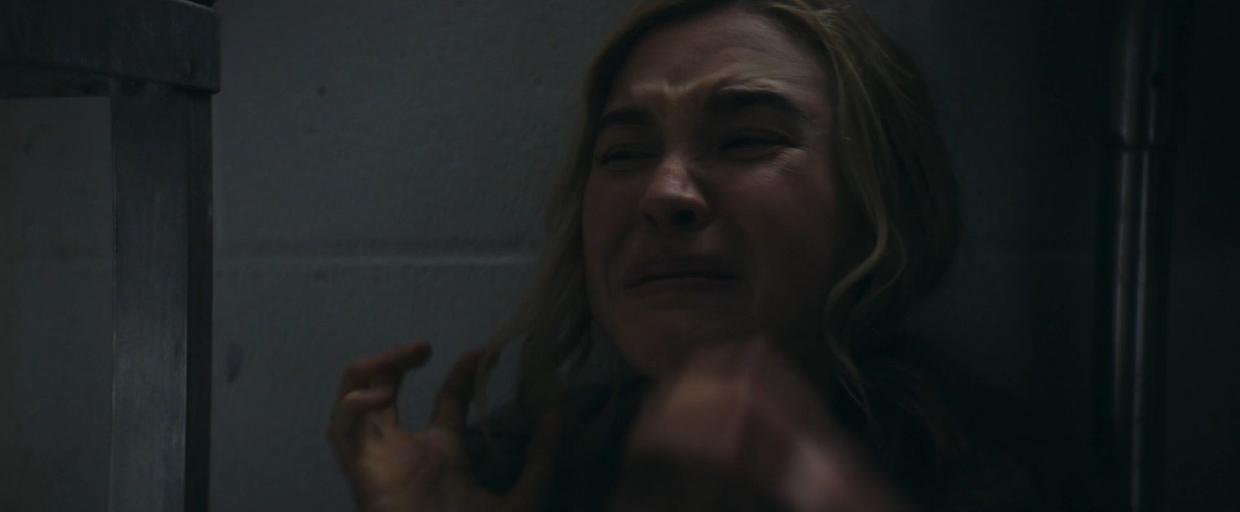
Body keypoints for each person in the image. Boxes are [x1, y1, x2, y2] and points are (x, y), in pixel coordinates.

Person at [328, 1, 1036, 511]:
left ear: (878, 198)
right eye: (624, 153)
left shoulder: (1000, 475)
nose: (664, 194)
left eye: (747, 139)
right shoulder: (515, 469)